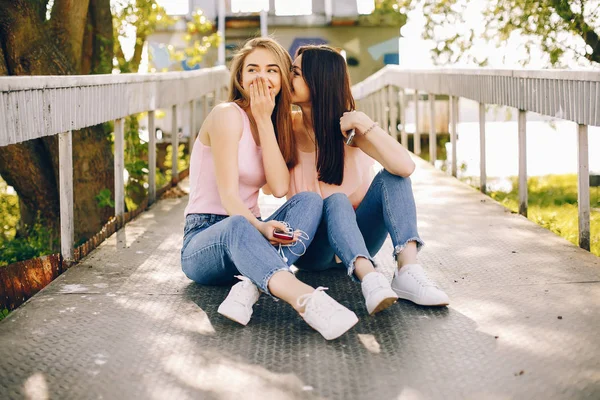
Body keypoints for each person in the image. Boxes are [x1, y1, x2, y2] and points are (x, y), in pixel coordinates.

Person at [180, 38, 358, 340]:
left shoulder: (274, 125)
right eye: (252, 69)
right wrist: (260, 228)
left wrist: (264, 119)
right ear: (240, 77)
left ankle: (250, 286)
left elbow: (277, 188)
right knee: (237, 224)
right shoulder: (226, 115)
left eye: (272, 70)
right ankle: (307, 300)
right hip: (205, 240)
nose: (261, 77)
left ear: (283, 80)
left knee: (310, 201)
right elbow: (228, 197)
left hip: (250, 237)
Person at [287, 45, 450, 315]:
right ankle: (370, 280)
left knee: (393, 177)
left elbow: (405, 167)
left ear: (319, 80)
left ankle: (408, 271)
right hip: (312, 250)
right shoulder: (285, 128)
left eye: (295, 73)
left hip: (361, 239)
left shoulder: (350, 128)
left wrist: (365, 124)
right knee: (336, 200)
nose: (287, 78)